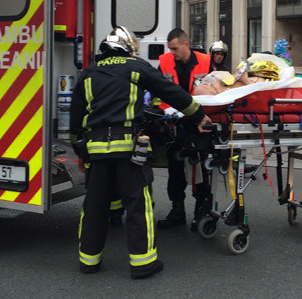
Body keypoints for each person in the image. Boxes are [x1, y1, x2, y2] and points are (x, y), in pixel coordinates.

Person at [70, 26, 211, 278]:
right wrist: (198, 115)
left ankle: (88, 262)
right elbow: (172, 93)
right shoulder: (136, 67)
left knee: (94, 206)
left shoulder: (88, 74)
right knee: (138, 204)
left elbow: (74, 122)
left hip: (96, 151)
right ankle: (143, 263)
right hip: (128, 150)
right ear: (127, 48)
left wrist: (81, 153)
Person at [156, 28, 212, 230]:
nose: (172, 53)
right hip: (175, 124)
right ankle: (177, 210)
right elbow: (156, 89)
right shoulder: (164, 61)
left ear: (186, 44)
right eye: (170, 49)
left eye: (175, 48)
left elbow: (216, 89)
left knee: (202, 170)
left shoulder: (206, 61)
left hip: (200, 122)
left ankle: (201, 211)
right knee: (175, 170)